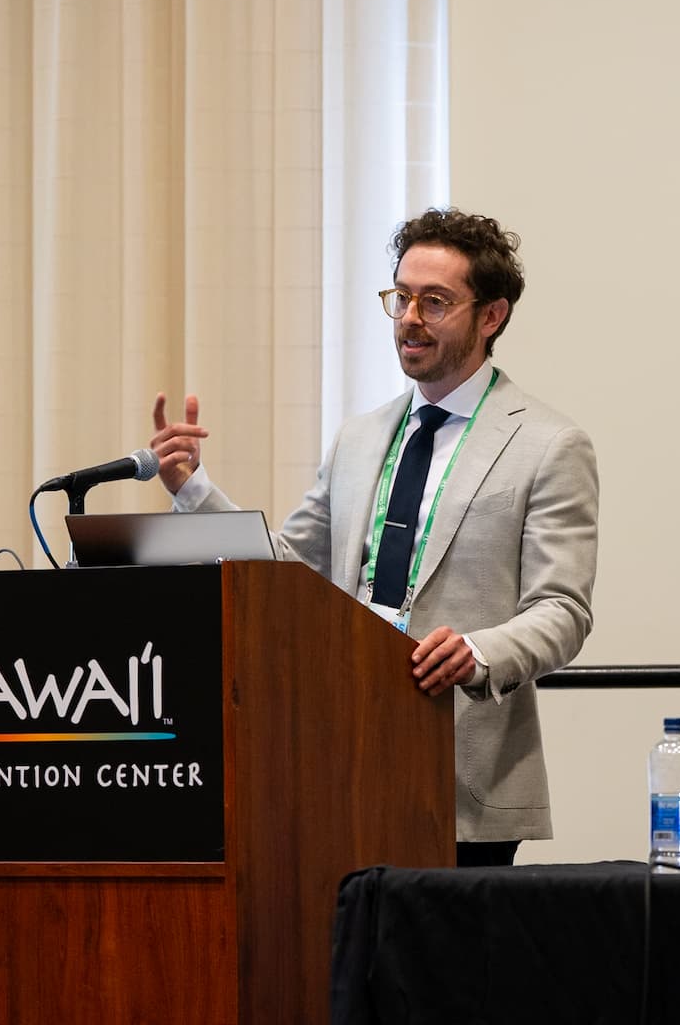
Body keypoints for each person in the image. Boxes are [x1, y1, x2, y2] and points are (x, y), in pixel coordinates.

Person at [149, 208, 598, 866]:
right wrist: (193, 491)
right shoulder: (360, 436)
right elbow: (290, 568)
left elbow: (563, 612)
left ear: (492, 316)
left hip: (461, 776)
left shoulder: (549, 445)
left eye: (436, 301)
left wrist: (476, 650)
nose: (410, 317)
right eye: (402, 296)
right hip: (340, 761)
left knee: (446, 969)